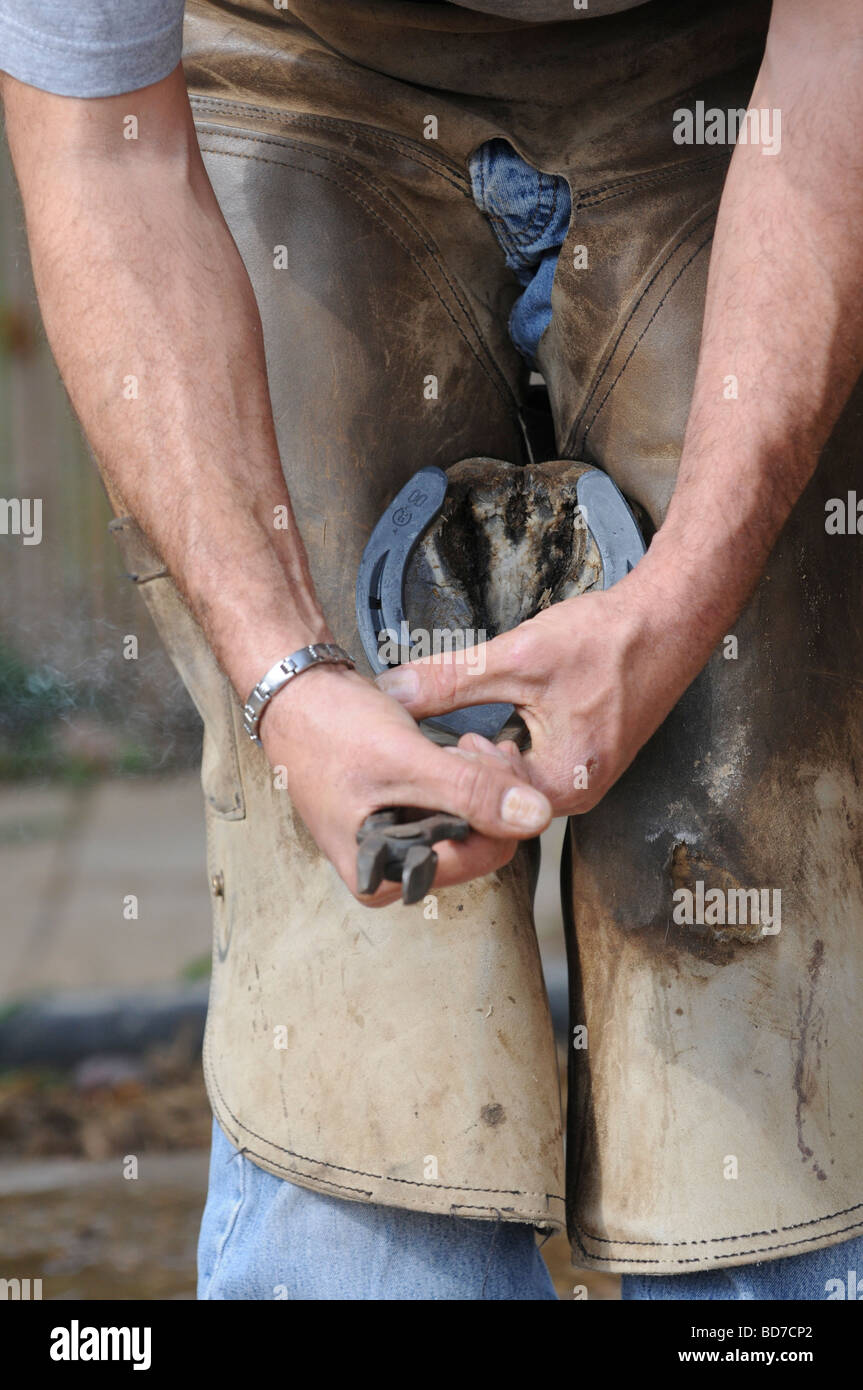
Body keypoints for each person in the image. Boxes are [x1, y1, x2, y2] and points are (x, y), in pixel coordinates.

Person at [2, 0, 861, 1301]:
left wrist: (689, 594)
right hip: (309, 61)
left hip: (731, 70)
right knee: (375, 1011)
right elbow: (102, 145)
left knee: (760, 953)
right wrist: (284, 677)